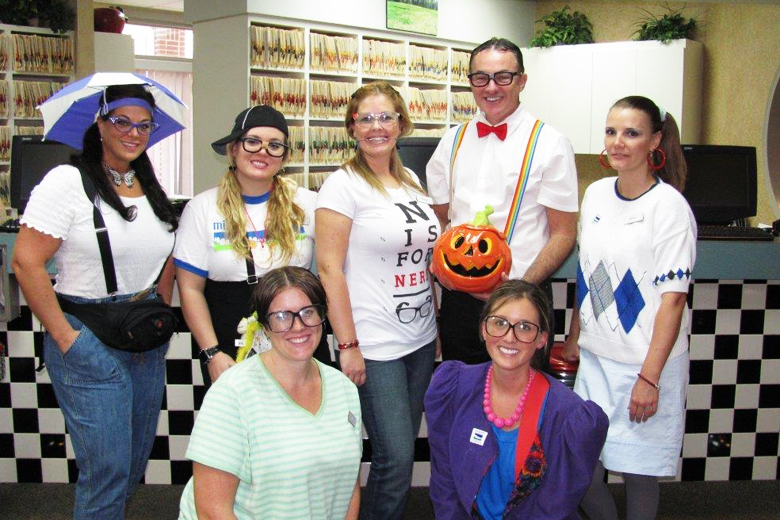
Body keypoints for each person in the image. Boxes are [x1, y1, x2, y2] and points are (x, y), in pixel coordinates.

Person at [12, 84, 178, 519]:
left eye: (144, 125)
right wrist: (66, 338)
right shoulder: (67, 181)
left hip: (144, 338)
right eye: (121, 121)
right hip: (88, 338)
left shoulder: (146, 182)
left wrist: (160, 308)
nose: (133, 133)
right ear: (99, 123)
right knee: (106, 473)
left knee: (131, 467)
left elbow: (166, 252)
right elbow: (26, 262)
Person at [562, 96, 697, 520]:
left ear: (654, 141)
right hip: (596, 360)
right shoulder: (596, 194)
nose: (618, 142)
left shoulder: (669, 207)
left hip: (645, 363)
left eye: (632, 133)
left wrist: (649, 379)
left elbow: (674, 300)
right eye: (611, 131)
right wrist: (574, 336)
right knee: (580, 472)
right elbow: (588, 275)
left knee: (638, 474)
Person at [316, 81, 440, 520]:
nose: (376, 127)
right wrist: (348, 345)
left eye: (385, 117)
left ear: (401, 124)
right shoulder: (342, 186)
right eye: (365, 118)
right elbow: (329, 269)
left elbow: (424, 262)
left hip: (420, 338)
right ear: (352, 127)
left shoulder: (411, 181)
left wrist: (436, 328)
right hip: (374, 343)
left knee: (400, 454)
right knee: (395, 457)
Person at [426, 37, 578, 365]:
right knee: (462, 390)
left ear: (522, 81)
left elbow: (564, 233)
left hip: (523, 299)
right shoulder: (451, 141)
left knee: (521, 394)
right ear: (471, 82)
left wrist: (520, 287)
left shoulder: (551, 144)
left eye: (503, 77)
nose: (491, 87)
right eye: (481, 77)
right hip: (459, 304)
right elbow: (441, 217)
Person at [178, 266, 362, 520]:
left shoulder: (344, 389)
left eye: (308, 312)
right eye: (282, 316)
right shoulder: (232, 394)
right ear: (264, 325)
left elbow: (349, 485)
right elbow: (211, 511)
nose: (298, 326)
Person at [425, 279, 608, 519]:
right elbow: (444, 483)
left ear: (541, 339)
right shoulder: (454, 388)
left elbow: (555, 506)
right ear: (483, 328)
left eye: (524, 327)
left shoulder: (567, 415)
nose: (510, 337)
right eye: (499, 323)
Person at [174, 105, 323, 388]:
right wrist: (212, 353)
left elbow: (332, 267)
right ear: (233, 149)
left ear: (284, 156)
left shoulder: (308, 204)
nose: (263, 152)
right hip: (230, 343)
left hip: (299, 335)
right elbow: (190, 290)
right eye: (252, 142)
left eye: (274, 145)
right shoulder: (202, 208)